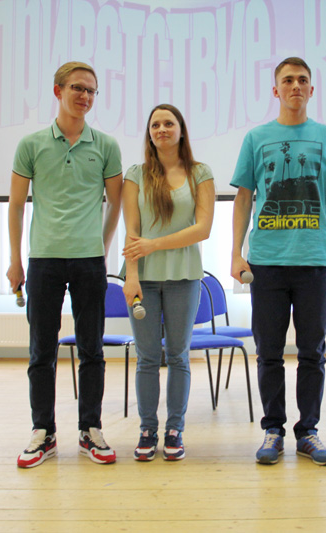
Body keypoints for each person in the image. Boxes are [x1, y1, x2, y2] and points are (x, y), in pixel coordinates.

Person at [230, 57, 326, 466]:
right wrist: (235, 252)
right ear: (276, 90)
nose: (295, 86)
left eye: (302, 80)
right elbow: (244, 198)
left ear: (311, 89)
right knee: (268, 352)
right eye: (287, 80)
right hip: (266, 262)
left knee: (312, 352)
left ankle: (308, 432)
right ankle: (273, 430)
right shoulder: (256, 138)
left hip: (314, 260)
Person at [8, 61, 123, 468]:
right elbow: (16, 205)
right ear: (58, 91)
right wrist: (15, 260)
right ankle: (43, 432)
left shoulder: (106, 146)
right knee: (41, 351)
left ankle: (90, 429)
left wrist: (102, 249)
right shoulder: (31, 144)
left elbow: (115, 204)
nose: (84, 96)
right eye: (77, 88)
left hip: (89, 262)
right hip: (43, 260)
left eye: (91, 90)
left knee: (92, 349)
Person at [121, 104, 215, 462]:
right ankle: (147, 429)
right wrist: (131, 275)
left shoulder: (200, 172)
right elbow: (131, 231)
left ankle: (175, 429)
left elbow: (202, 229)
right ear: (149, 133)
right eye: (155, 124)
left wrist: (154, 244)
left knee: (178, 356)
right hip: (142, 278)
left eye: (169, 123)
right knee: (147, 358)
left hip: (184, 275)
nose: (161, 129)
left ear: (181, 129)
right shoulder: (135, 174)